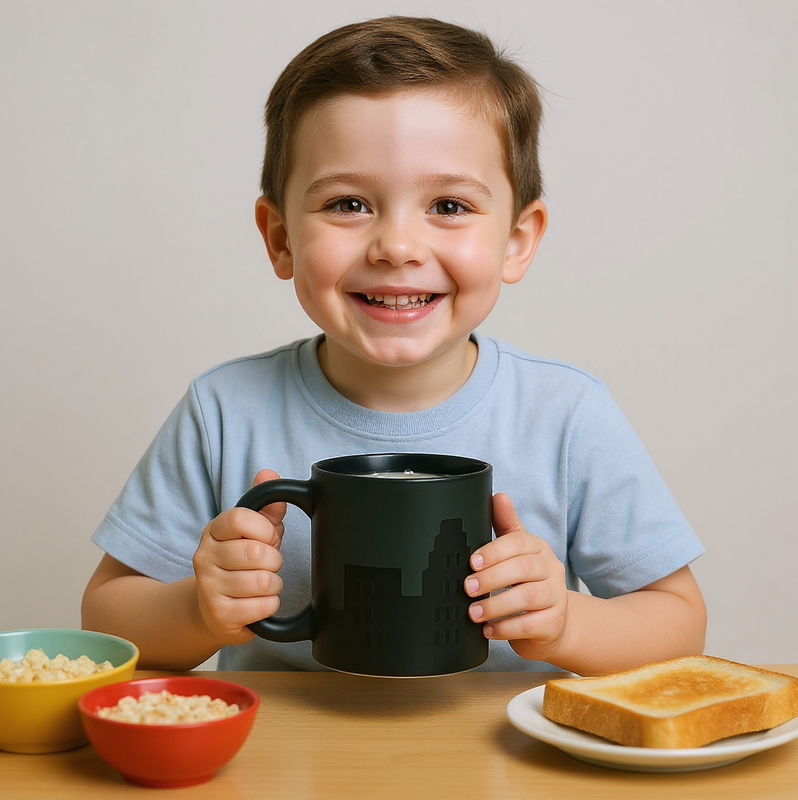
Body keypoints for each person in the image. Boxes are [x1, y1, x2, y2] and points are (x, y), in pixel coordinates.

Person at [82, 16, 706, 675]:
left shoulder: (568, 414)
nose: (398, 247)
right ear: (280, 239)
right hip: (282, 775)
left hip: (509, 774)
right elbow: (108, 614)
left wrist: (568, 623)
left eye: (449, 206)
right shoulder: (222, 410)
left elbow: (679, 620)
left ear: (518, 240)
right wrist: (197, 610)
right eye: (349, 204)